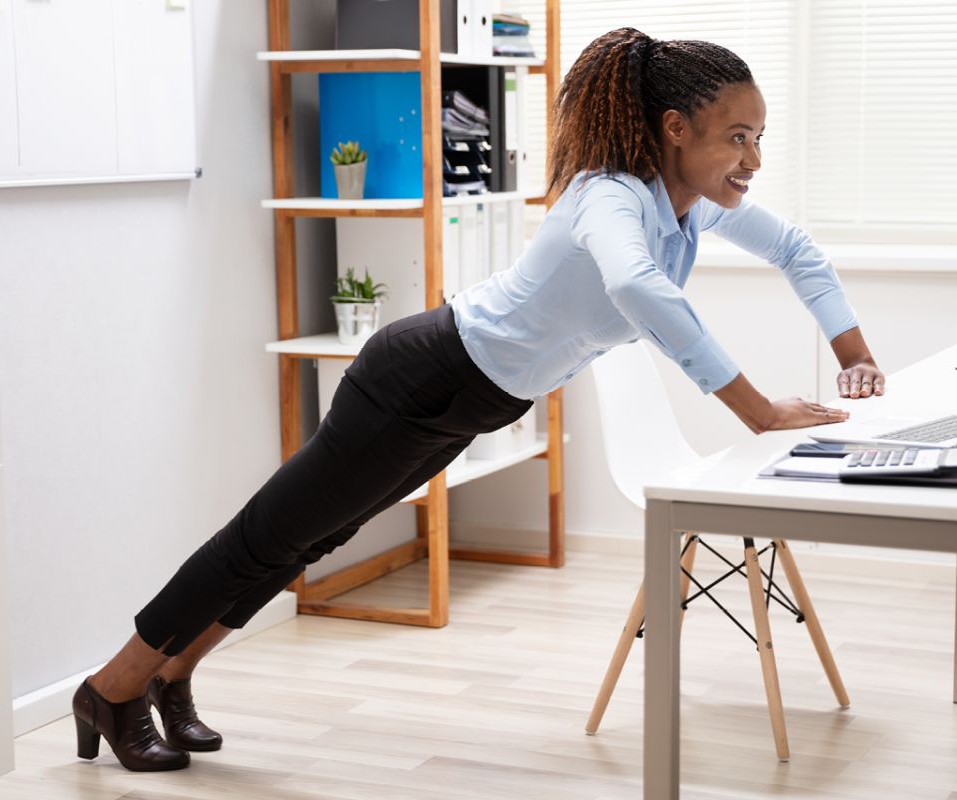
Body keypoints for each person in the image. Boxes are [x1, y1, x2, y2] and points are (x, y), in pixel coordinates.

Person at [72, 27, 886, 772]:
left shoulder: (688, 206)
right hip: (421, 377)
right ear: (676, 128)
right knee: (266, 536)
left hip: (475, 400)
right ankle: (111, 689)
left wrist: (852, 353)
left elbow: (795, 248)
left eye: (759, 138)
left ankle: (172, 677)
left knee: (310, 538)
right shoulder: (609, 196)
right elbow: (638, 288)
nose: (751, 158)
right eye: (737, 137)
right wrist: (755, 408)